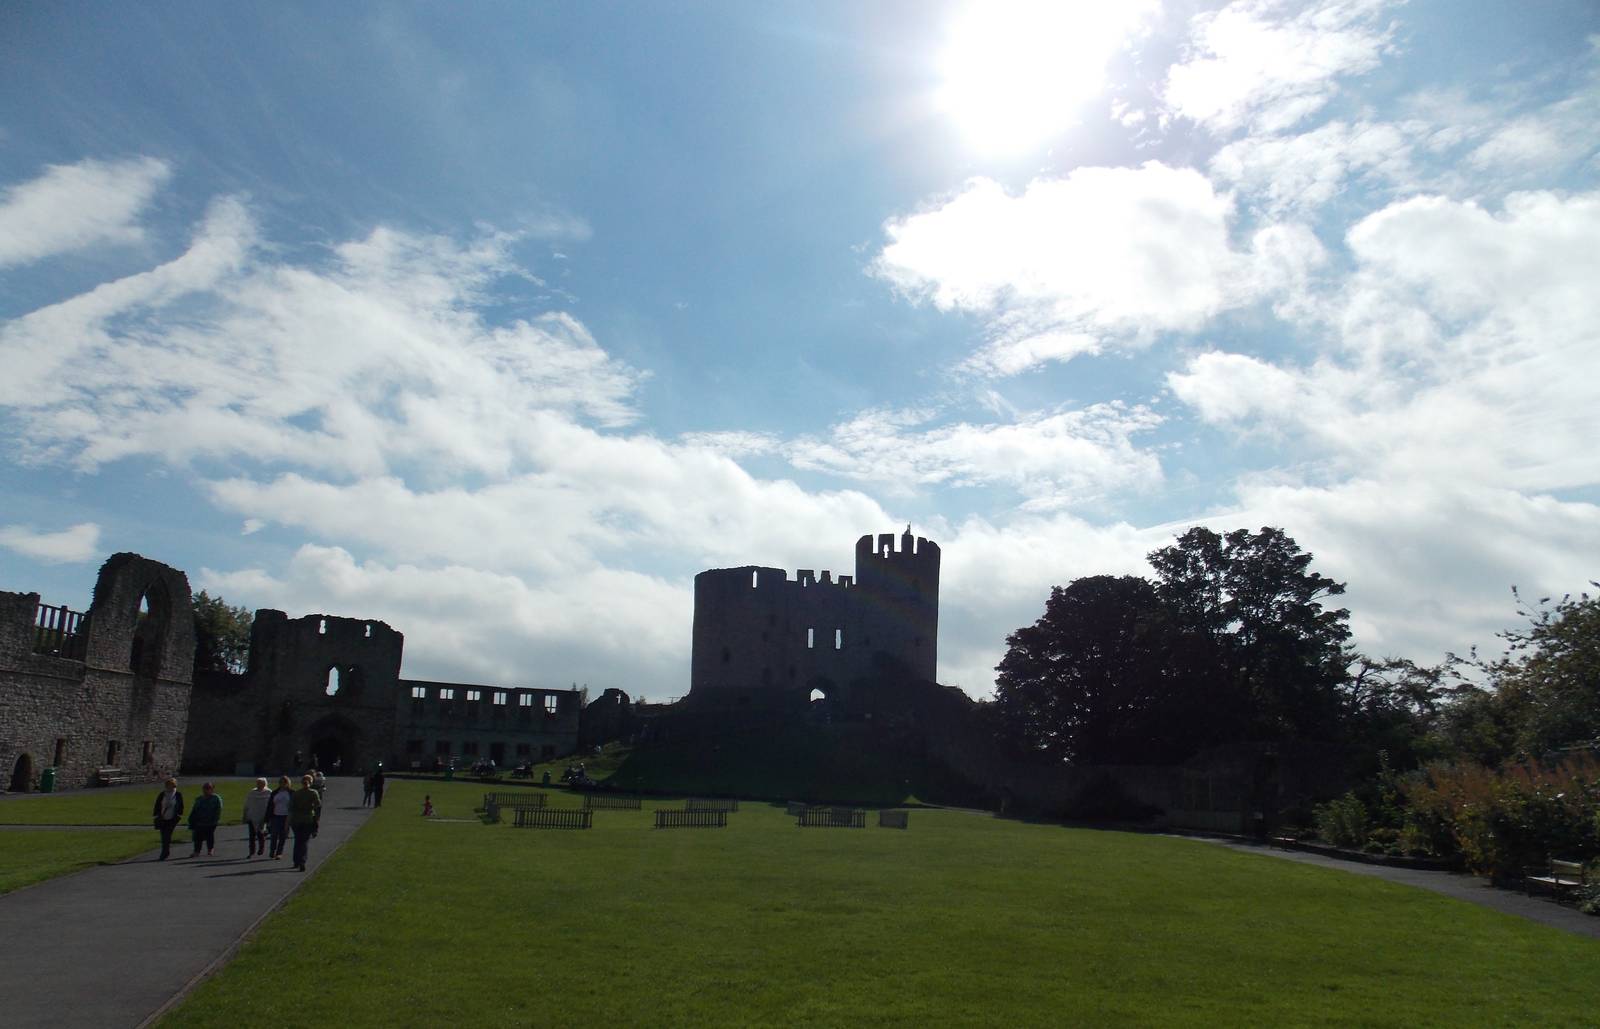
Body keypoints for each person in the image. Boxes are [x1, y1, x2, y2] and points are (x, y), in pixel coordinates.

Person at [288, 773, 322, 872]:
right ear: (311, 782)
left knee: (297, 840)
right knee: (304, 841)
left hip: (296, 819)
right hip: (307, 819)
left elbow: (291, 807)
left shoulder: (296, 793)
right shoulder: (313, 793)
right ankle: (302, 861)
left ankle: (296, 861)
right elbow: (317, 805)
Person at [186, 781, 222, 858]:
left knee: (209, 836)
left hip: (211, 822)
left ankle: (210, 849)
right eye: (205, 788)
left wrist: (215, 819)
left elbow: (218, 810)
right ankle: (197, 851)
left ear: (212, 789)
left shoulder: (216, 798)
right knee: (197, 837)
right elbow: (194, 809)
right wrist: (191, 819)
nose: (206, 790)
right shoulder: (199, 799)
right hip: (199, 821)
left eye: (208, 788)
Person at [152, 777, 184, 861]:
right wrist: (156, 815)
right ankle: (166, 851)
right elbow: (157, 805)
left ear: (174, 785)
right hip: (162, 818)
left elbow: (181, 806)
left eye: (171, 785)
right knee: (164, 836)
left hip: (172, 819)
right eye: (168, 785)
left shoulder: (177, 794)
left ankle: (164, 853)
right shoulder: (162, 794)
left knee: (167, 835)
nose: (169, 787)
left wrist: (179, 815)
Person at [243, 777, 272, 858]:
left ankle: (261, 848)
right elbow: (247, 804)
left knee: (260, 834)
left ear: (265, 784)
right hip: (252, 816)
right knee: (251, 836)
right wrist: (245, 815)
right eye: (258, 783)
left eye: (261, 783)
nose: (259, 785)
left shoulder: (269, 792)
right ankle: (251, 852)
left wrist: (269, 816)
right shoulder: (252, 793)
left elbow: (270, 805)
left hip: (263, 816)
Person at [267, 775, 293, 860]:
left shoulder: (291, 793)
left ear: (287, 783)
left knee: (283, 835)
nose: (282, 784)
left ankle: (279, 852)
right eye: (281, 782)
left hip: (286, 816)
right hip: (276, 816)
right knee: (274, 834)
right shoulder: (275, 793)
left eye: (284, 782)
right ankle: (272, 850)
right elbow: (270, 805)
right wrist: (268, 817)